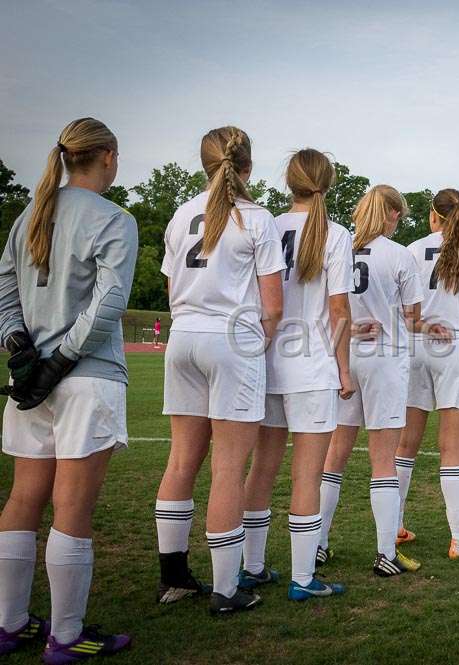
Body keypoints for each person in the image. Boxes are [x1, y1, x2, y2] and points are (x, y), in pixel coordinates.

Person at [0, 117, 137, 661]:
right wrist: (54, 362)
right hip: (84, 377)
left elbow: (5, 294)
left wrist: (20, 352)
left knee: (22, 499)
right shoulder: (114, 218)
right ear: (107, 155)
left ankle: (9, 625)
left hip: (32, 383)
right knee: (72, 510)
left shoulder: (31, 213)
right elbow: (108, 305)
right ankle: (66, 635)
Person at [155, 126, 285, 615]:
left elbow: (172, 294)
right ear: (247, 165)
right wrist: (258, 342)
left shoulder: (180, 213)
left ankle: (174, 578)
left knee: (181, 462)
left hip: (183, 337)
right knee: (229, 469)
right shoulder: (256, 218)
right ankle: (226, 589)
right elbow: (273, 305)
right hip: (231, 340)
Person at [238, 149, 353, 600]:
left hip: (265, 361)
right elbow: (339, 306)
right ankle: (303, 579)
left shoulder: (265, 223)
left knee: (261, 470)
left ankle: (252, 567)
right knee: (307, 475)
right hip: (312, 365)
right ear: (327, 182)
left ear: (289, 182)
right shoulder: (335, 233)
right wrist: (344, 367)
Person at [318, 184, 429, 576]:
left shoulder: (340, 248)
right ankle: (385, 552)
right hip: (384, 359)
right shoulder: (399, 255)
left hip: (345, 355)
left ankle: (318, 543)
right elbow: (412, 319)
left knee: (335, 455)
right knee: (383, 460)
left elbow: (328, 308)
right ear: (394, 214)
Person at [396, 189, 459, 559]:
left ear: (434, 215)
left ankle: (395, 527)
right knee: (452, 448)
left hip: (416, 346)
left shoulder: (412, 249)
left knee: (405, 445)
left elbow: (402, 307)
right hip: (457, 349)